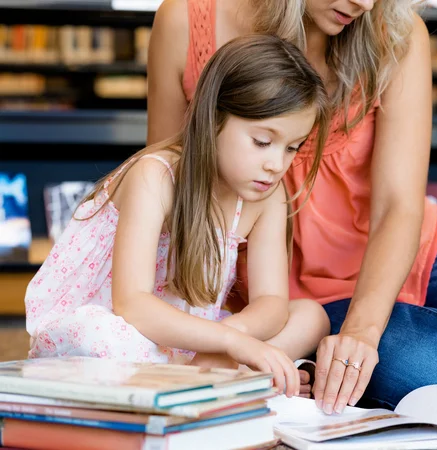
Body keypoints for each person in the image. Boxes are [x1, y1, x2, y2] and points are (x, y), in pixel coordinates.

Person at [146, 0, 437, 413]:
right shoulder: (186, 22)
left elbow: (398, 206)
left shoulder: (396, 31)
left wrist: (362, 332)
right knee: (431, 372)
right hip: (279, 287)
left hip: (404, 247)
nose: (363, 3)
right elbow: (168, 188)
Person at [24, 34, 332, 399]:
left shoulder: (268, 196)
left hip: (198, 340)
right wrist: (232, 345)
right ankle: (226, 377)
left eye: (292, 148)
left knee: (312, 316)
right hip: (130, 330)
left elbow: (272, 302)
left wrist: (233, 338)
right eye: (263, 142)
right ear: (214, 117)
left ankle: (204, 376)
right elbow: (132, 304)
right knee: (98, 337)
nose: (276, 164)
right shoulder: (154, 176)